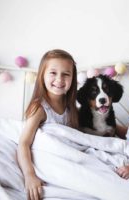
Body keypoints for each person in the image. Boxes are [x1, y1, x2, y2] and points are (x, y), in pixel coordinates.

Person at [17, 49, 79, 200]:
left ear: (72, 79)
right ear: (42, 76)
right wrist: (29, 175)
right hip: (46, 159)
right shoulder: (39, 108)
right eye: (53, 73)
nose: (59, 79)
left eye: (66, 74)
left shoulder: (70, 106)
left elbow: (77, 136)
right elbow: (23, 143)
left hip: (66, 156)